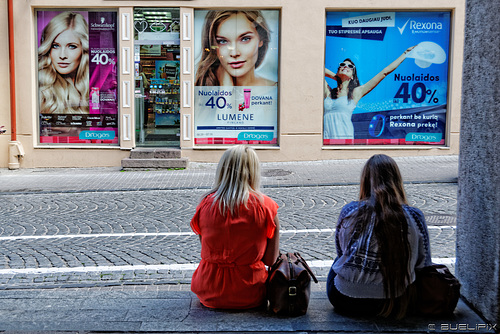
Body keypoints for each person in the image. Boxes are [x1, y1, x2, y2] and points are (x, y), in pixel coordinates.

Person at [326, 154, 432, 318]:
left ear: (365, 181)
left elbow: (341, 252)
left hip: (345, 299)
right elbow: (423, 264)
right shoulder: (414, 216)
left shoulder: (350, 211)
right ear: (396, 180)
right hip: (396, 301)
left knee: (337, 262)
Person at [190, 145, 280, 309]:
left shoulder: (204, 205)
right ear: (253, 172)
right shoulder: (266, 206)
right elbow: (270, 260)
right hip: (250, 292)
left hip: (208, 290)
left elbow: (206, 248)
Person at [324, 47, 415, 139]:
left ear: (352, 76)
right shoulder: (328, 92)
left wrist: (405, 53)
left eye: (350, 66)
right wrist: (335, 76)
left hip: (343, 138)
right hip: (326, 140)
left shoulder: (355, 93)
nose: (346, 66)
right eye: (343, 64)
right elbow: (319, 69)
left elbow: (384, 72)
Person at [195, 10, 276, 87]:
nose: (234, 53)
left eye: (245, 39)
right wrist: (226, 92)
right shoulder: (200, 93)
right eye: (223, 41)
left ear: (261, 40)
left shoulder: (276, 91)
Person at [38, 11, 89, 115]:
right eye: (55, 46)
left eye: (72, 46)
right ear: (48, 49)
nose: (62, 55)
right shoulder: (42, 92)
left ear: (83, 50)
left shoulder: (92, 86)